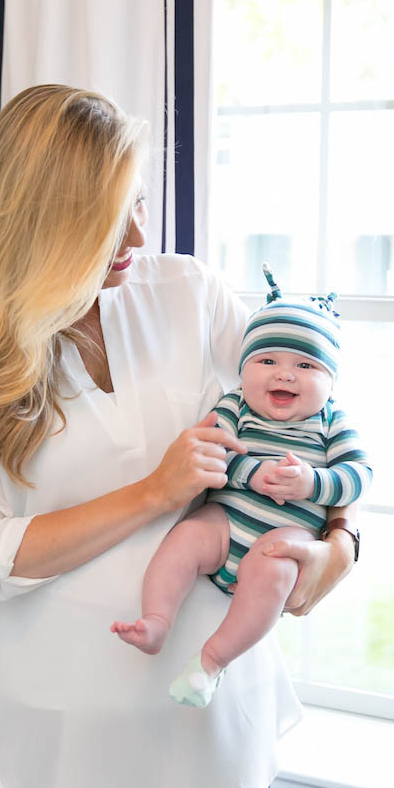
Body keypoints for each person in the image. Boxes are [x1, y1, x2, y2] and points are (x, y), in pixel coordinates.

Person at [0, 84, 358, 788]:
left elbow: (311, 413)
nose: (138, 235)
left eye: (140, 203)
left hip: (212, 706)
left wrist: (336, 549)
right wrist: (154, 490)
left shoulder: (186, 292)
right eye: (108, 216)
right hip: (74, 724)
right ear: (44, 221)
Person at [112, 270, 372, 708]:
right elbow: (210, 449)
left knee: (277, 562)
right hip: (226, 523)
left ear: (330, 381)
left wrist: (313, 482)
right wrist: (249, 472)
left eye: (305, 366)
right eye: (267, 361)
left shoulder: (331, 421)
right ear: (245, 367)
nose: (285, 375)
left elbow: (359, 475)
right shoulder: (235, 404)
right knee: (187, 536)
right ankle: (157, 620)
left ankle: (211, 662)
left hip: (285, 534)